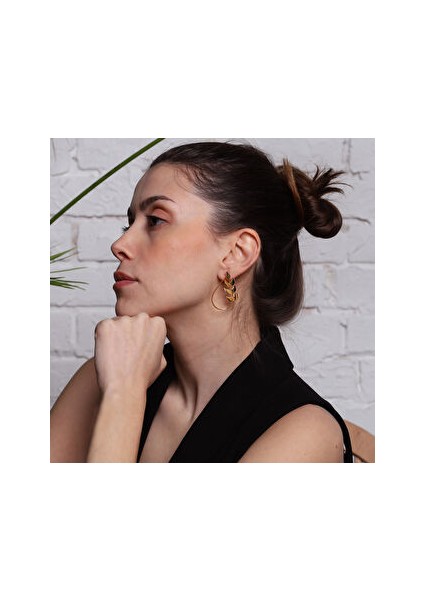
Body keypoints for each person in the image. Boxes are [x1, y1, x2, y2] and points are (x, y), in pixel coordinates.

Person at [50, 141, 353, 463]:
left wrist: (123, 395)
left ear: (236, 253)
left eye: (155, 221)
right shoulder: (107, 374)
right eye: (130, 223)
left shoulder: (304, 432)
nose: (120, 244)